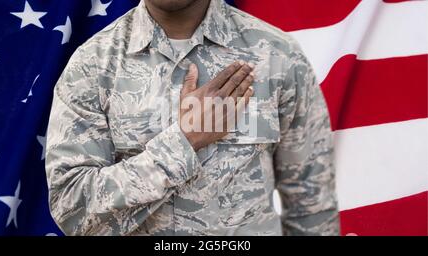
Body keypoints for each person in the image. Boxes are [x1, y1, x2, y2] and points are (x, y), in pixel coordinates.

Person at [45, 0, 339, 235]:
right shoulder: (91, 67)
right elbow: (72, 211)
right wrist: (183, 142)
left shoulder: (278, 56)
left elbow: (311, 205)